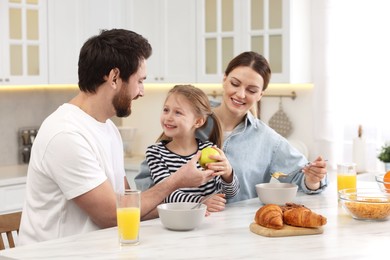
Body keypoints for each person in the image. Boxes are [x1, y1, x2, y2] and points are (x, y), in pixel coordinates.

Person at [18, 29, 215, 245]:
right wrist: (177, 180)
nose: (142, 92)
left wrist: (192, 206)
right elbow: (112, 215)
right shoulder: (65, 134)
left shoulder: (109, 129)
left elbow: (129, 207)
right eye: (139, 81)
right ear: (114, 77)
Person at [135, 51, 328, 203]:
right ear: (224, 79)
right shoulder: (190, 118)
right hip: (184, 226)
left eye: (252, 90)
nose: (241, 94)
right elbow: (147, 183)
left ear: (260, 95)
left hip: (239, 234)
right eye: (235, 83)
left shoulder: (267, 139)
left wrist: (313, 179)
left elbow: (301, 178)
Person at [146, 85, 239, 212]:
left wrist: (228, 173)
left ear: (198, 122)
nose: (168, 117)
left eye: (178, 112)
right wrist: (200, 202)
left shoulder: (210, 150)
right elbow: (166, 194)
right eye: (166, 110)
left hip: (214, 223)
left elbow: (230, 194)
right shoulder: (155, 153)